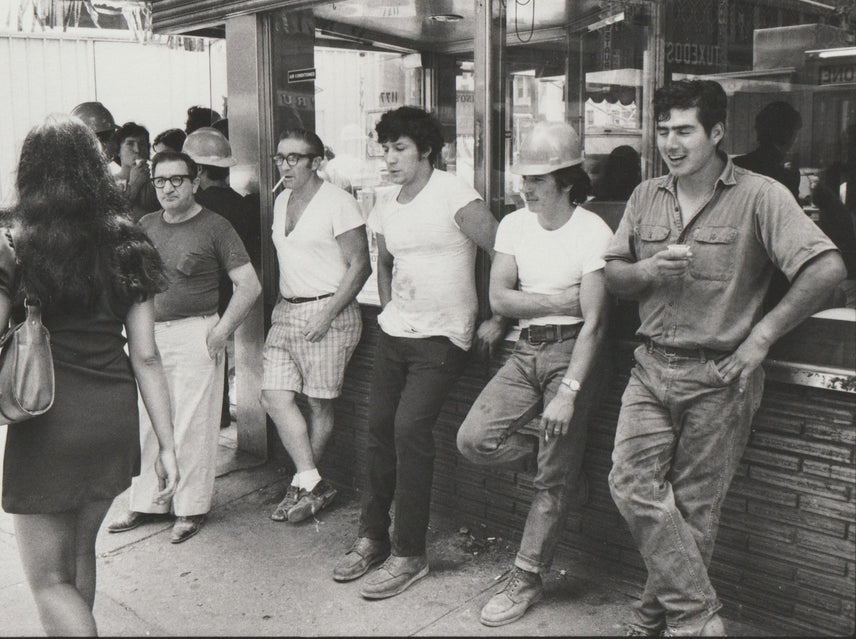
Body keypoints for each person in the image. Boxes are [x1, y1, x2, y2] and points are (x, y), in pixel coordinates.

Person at [604, 80, 844, 637]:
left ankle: (651, 619)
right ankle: (698, 617)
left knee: (692, 509)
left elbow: (826, 269)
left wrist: (762, 337)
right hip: (651, 366)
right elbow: (615, 274)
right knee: (631, 484)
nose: (671, 142)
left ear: (717, 133)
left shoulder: (761, 195)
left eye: (684, 130)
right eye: (663, 130)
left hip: (719, 375)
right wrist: (646, 272)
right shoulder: (645, 196)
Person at [0, 114, 177, 636]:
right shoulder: (130, 243)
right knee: (79, 555)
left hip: (48, 424)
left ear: (29, 174)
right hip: (112, 421)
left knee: (48, 581)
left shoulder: (12, 246)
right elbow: (146, 355)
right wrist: (167, 444)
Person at [332, 106, 506, 599]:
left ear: (425, 149)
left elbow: (501, 251)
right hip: (395, 333)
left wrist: (498, 316)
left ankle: (410, 553)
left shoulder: (455, 193)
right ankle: (372, 538)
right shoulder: (384, 200)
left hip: (444, 336)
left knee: (409, 430)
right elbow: (385, 262)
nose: (388, 158)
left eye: (399, 148)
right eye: (384, 148)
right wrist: (389, 311)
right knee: (377, 431)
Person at [456, 121, 612, 627]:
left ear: (567, 180)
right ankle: (562, 475)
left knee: (552, 474)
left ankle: (527, 575)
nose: (524, 188)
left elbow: (594, 324)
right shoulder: (514, 225)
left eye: (537, 180)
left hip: (573, 356)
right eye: (524, 177)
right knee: (474, 440)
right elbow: (499, 297)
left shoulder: (594, 232)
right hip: (527, 348)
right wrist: (555, 300)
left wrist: (568, 392)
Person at [107, 150, 261, 544]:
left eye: (178, 180)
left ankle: (191, 508)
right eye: (160, 181)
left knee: (193, 424)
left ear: (195, 182)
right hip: (148, 336)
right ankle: (147, 503)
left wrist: (221, 331)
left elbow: (249, 285)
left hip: (197, 333)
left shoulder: (216, 227)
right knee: (146, 421)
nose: (168, 188)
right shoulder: (145, 225)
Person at [261, 129, 372, 524]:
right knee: (273, 396)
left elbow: (361, 265)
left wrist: (327, 315)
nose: (285, 165)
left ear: (316, 161)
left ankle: (302, 484)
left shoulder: (338, 203)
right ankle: (311, 478)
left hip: (329, 312)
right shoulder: (280, 201)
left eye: (294, 158)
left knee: (319, 402)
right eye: (280, 158)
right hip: (287, 311)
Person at [184, 126, 261, 428]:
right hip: (235, 292)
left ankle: (212, 415)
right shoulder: (246, 205)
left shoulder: (196, 210)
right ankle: (219, 413)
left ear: (198, 170)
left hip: (199, 294)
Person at [733, 100, 803, 200]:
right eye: (796, 135)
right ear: (788, 135)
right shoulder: (786, 175)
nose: (796, 140)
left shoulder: (736, 165)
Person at [109, 122, 161, 222]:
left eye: (142, 144)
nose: (137, 150)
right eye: (130, 144)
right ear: (118, 151)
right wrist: (134, 186)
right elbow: (111, 217)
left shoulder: (158, 181)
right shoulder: (109, 182)